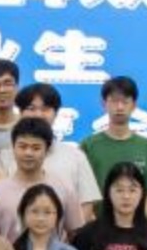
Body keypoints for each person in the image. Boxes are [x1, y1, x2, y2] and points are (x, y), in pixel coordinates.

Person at [11, 83, 101, 225]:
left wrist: (70, 236)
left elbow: (86, 204)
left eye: (45, 109)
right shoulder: (5, 155)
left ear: (56, 113)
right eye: (31, 108)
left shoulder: (75, 156)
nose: (38, 115)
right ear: (20, 112)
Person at [83, 75, 147, 205]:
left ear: (134, 105)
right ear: (103, 104)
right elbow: (81, 192)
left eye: (125, 102)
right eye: (114, 101)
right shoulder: (88, 146)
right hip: (97, 218)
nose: (120, 107)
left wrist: (139, 217)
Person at [0, 115, 61, 242]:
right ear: (13, 148)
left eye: (36, 148)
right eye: (22, 146)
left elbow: (74, 233)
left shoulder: (63, 188)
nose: (28, 153)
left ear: (47, 150)